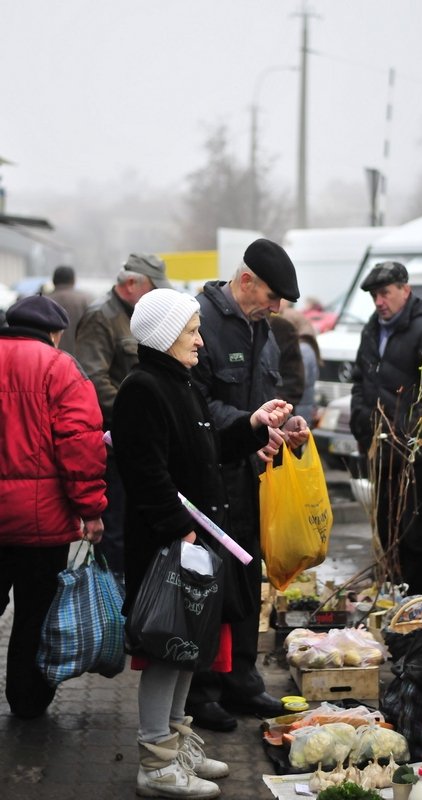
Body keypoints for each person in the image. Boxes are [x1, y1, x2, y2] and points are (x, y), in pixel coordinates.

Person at [110, 288, 293, 799]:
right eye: (192, 331)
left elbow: (210, 446)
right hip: (171, 548)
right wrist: (178, 528)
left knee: (187, 649)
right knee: (167, 651)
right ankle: (155, 762)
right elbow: (144, 470)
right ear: (167, 336)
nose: (200, 339)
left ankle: (176, 743)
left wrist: (254, 426)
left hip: (197, 546)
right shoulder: (143, 388)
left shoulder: (180, 382)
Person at [187, 238, 310, 732]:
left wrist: (283, 426)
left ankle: (242, 680)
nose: (278, 308)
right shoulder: (199, 323)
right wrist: (247, 426)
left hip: (251, 480)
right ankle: (200, 691)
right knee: (207, 586)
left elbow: (266, 398)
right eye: (273, 296)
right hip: (208, 480)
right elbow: (194, 407)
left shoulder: (264, 329)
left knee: (245, 583)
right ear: (245, 282)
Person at [0, 295, 106, 719]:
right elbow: (80, 446)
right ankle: (27, 701)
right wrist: (91, 509)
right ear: (55, 333)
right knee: (32, 614)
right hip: (38, 524)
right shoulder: (59, 367)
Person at [349, 261, 422, 595]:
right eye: (374, 296)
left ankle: (421, 608)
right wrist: (362, 426)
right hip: (379, 452)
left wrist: (409, 435)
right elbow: (360, 381)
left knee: (416, 537)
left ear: (405, 290)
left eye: (385, 293)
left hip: (415, 455)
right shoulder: (372, 329)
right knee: (386, 534)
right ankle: (393, 602)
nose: (379, 302)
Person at [76, 253, 173, 578]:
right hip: (113, 442)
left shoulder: (135, 315)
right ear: (131, 283)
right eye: (152, 288)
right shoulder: (101, 315)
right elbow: (93, 379)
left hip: (136, 440)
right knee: (114, 528)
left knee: (136, 523)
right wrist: (138, 413)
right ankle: (114, 605)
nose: (156, 296)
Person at [280, 304, 322, 426]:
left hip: (299, 413)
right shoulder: (308, 346)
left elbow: (297, 381)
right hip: (304, 410)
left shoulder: (302, 349)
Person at [48, 265, 94, 356]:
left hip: (49, 357)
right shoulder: (86, 300)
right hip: (79, 359)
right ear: (73, 280)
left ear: (53, 280)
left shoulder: (44, 300)